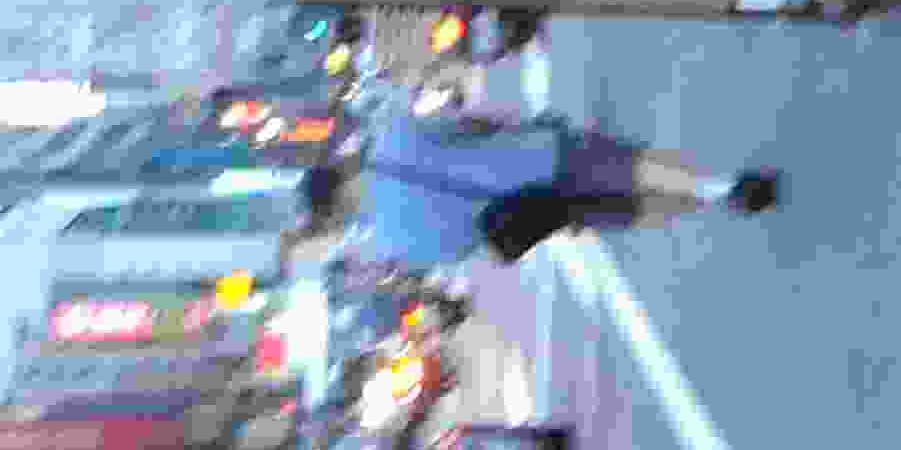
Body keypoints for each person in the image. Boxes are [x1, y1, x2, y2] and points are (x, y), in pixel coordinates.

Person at [307, 115, 778, 270]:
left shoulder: (392, 243)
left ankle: (706, 204)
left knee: (632, 209)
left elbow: (462, 250)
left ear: (333, 214)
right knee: (633, 168)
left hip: (534, 214)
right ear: (340, 170)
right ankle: (720, 187)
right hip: (533, 156)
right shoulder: (391, 139)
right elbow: (469, 126)